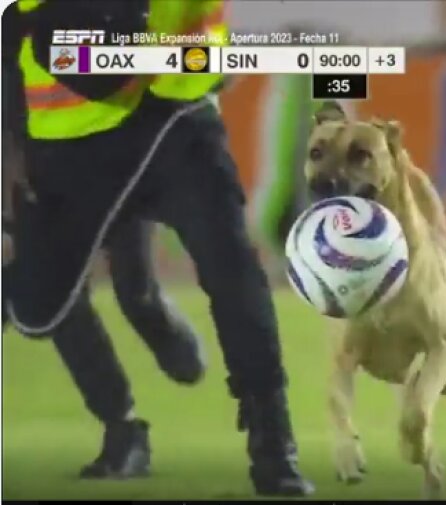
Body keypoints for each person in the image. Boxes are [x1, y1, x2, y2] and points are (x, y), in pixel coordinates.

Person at [7, 0, 314, 496]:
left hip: (175, 115)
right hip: (74, 137)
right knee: (42, 307)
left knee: (230, 265)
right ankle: (131, 396)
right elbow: (22, 30)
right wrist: (16, 146)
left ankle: (274, 446)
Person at [2, 2, 206, 479]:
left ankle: (157, 326)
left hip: (110, 157)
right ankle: (123, 428)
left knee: (132, 289)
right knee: (54, 298)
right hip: (41, 174)